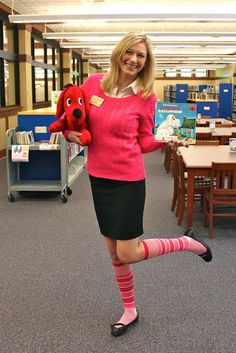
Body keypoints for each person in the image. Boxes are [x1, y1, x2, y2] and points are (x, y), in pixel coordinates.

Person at [65, 32, 212, 337]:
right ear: (119, 52)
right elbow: (75, 123)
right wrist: (71, 135)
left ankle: (187, 243)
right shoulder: (93, 84)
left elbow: (144, 141)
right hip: (98, 177)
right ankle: (129, 309)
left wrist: (163, 139)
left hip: (128, 180)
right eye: (129, 52)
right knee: (114, 253)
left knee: (128, 252)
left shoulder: (147, 96)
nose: (133, 59)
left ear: (147, 62)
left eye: (141, 56)